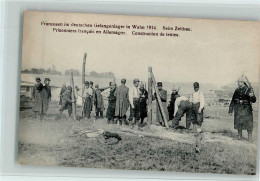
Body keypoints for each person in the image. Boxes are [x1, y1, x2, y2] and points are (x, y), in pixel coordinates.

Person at [229, 76, 256, 142]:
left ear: (243, 82)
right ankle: (239, 135)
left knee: (249, 123)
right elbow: (233, 100)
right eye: (238, 82)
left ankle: (249, 137)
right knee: (238, 121)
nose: (238, 83)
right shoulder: (237, 90)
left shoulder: (248, 89)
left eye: (239, 82)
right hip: (238, 108)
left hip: (246, 109)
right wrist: (230, 109)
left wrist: (252, 96)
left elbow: (254, 100)